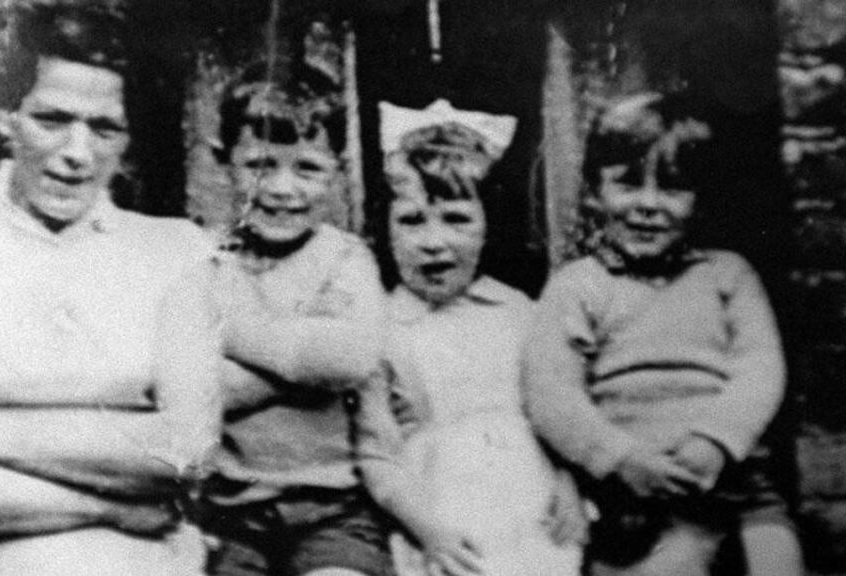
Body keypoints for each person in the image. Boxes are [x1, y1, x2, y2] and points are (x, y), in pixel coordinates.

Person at [0, 3, 219, 575]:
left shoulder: (176, 254)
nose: (78, 154)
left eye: (104, 128)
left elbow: (188, 450)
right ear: (6, 119)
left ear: (127, 139)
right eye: (52, 119)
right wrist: (108, 507)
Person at [522, 92, 802, 576]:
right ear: (594, 191)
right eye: (627, 184)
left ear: (700, 199)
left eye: (672, 189)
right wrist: (620, 457)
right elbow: (551, 393)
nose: (648, 205)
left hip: (733, 480)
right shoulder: (578, 286)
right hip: (631, 490)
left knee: (777, 559)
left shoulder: (728, 276)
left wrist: (714, 442)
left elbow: (760, 370)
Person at [355, 102, 585, 576]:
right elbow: (377, 454)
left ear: (488, 227)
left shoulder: (522, 312)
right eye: (412, 221)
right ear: (386, 230)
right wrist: (427, 529)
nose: (434, 241)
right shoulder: (379, 326)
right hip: (440, 515)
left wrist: (569, 482)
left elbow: (557, 412)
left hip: (530, 504)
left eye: (457, 219)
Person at [199, 63, 393, 576]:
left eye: (307, 168)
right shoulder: (203, 259)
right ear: (224, 162)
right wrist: (304, 363)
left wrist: (226, 329)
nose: (283, 189)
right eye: (261, 165)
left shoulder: (347, 259)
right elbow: (191, 383)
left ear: (338, 169)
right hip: (226, 513)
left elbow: (349, 358)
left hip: (335, 510)